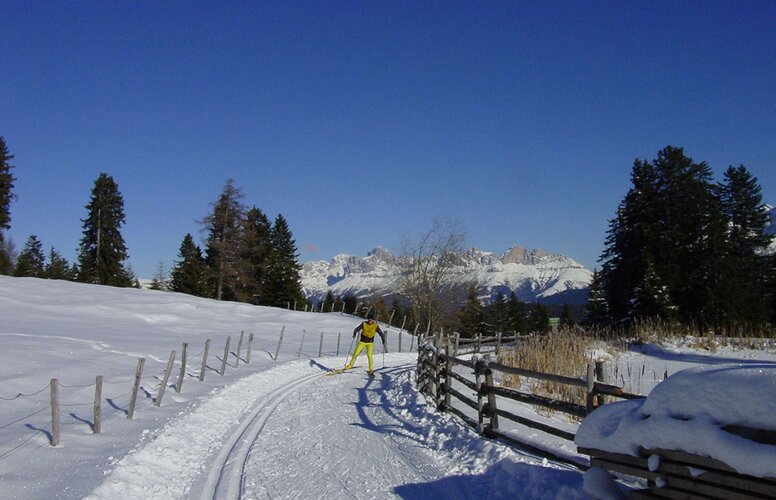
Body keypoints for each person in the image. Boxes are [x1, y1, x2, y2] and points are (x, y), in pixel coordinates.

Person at [345, 311, 386, 376]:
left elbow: (381, 333)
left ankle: (371, 369)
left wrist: (383, 339)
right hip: (362, 342)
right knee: (355, 353)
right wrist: (354, 333)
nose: (370, 321)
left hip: (370, 343)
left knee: (369, 356)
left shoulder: (375, 326)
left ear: (373, 320)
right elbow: (357, 329)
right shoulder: (364, 324)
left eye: (371, 320)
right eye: (369, 319)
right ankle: (350, 365)